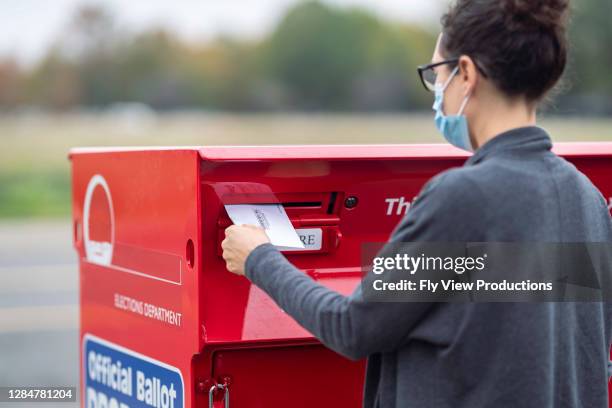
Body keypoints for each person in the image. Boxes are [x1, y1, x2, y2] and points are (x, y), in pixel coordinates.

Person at [222, 0, 612, 406]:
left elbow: (352, 328)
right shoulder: (587, 200)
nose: (438, 95)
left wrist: (258, 258)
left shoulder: (464, 199)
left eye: (436, 75)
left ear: (465, 74)